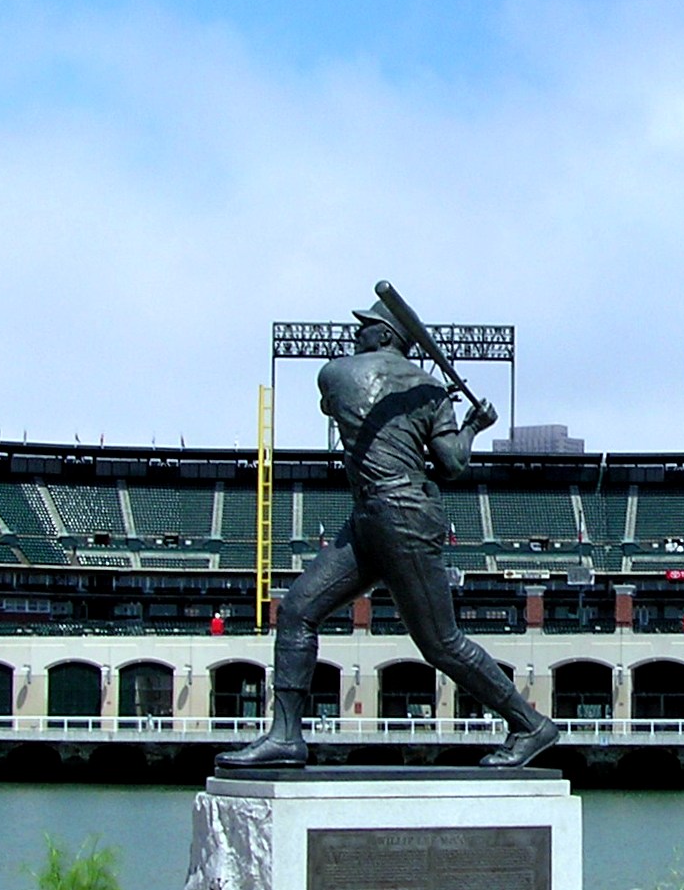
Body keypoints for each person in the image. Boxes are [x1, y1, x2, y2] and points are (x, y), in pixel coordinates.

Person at [219, 299, 560, 770]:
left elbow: (334, 401)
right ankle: (285, 736)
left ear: (382, 336)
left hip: (399, 514)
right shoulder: (430, 390)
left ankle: (530, 725)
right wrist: (472, 426)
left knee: (441, 643)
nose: (356, 337)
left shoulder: (338, 372)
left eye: (365, 330)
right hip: (374, 517)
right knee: (297, 610)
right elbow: (454, 463)